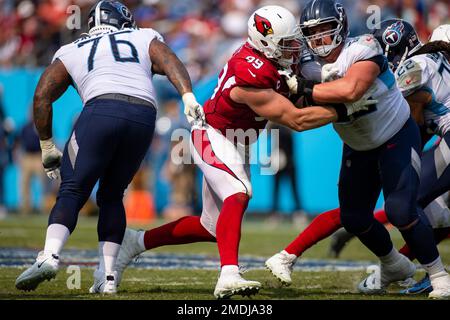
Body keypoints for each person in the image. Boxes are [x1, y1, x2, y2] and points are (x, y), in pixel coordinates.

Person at [114, 5, 373, 299]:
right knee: (238, 192)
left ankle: (135, 242)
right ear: (265, 43)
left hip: (239, 142)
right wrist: (344, 109)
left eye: (293, 42)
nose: (294, 49)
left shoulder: (274, 60)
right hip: (212, 133)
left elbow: (303, 92)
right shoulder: (252, 69)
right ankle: (228, 274)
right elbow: (296, 119)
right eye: (286, 44)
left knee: (210, 227)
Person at [15, 0, 204, 294]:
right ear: (122, 20)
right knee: (113, 195)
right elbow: (170, 61)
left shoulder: (71, 49)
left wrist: (46, 144)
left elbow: (41, 96)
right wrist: (188, 97)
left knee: (72, 189)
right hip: (143, 115)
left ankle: (49, 256)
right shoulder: (143, 37)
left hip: (100, 111)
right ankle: (108, 276)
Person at [267, 0, 450, 299]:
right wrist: (296, 95)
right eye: (312, 33)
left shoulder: (364, 47)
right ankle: (393, 265)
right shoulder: (307, 64)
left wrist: (302, 88)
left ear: (341, 27)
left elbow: (351, 90)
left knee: (401, 209)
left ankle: (439, 275)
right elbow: (299, 113)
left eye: (326, 30)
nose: (320, 39)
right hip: (358, 144)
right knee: (353, 217)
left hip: (394, 135)